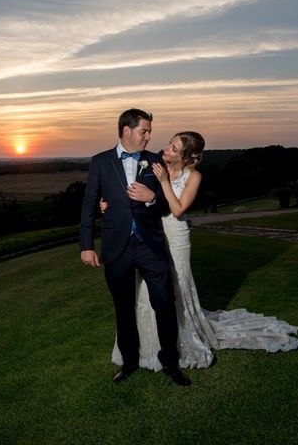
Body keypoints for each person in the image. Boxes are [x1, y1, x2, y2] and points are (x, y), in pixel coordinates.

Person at [105, 131, 298, 371]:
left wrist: (164, 181)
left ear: (187, 157)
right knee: (145, 291)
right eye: (169, 143)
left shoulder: (193, 176)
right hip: (151, 235)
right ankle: (145, 347)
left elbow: (177, 210)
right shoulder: (154, 164)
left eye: (174, 149)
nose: (166, 149)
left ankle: (177, 342)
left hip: (176, 237)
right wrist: (109, 204)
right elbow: (135, 194)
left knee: (177, 287)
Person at [80, 109, 191, 386]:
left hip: (150, 245)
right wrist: (86, 245)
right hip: (116, 247)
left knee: (165, 303)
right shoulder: (100, 162)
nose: (149, 137)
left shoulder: (155, 161)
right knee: (123, 307)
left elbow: (168, 205)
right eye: (144, 131)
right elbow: (89, 205)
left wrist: (152, 196)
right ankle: (130, 362)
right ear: (126, 130)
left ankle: (170, 362)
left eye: (150, 131)